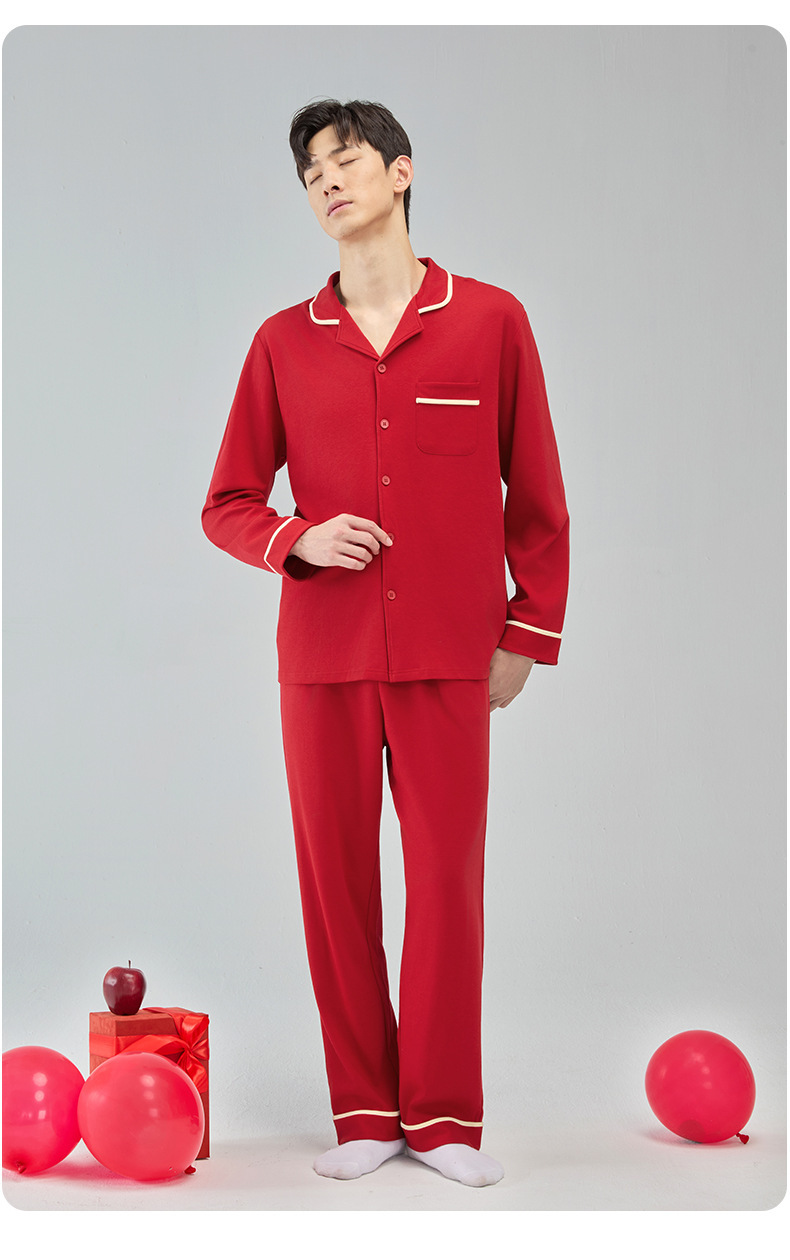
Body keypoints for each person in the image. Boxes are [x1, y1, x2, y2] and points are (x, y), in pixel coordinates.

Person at [202, 98, 570, 1188]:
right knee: (337, 886)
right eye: (309, 170)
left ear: (401, 172)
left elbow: (538, 496)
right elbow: (227, 501)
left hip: (453, 657)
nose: (327, 179)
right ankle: (364, 1109)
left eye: (346, 159)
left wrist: (526, 634)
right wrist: (297, 539)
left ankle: (445, 1119)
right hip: (321, 658)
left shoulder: (491, 320)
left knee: (447, 884)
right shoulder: (281, 342)